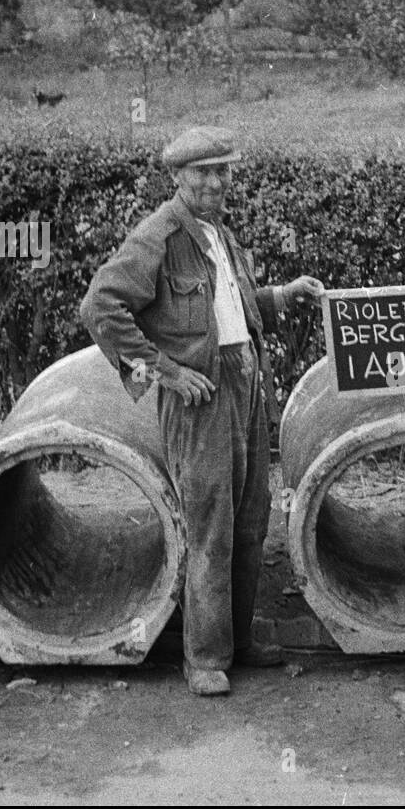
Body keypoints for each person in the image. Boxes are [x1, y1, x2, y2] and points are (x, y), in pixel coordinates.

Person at [80, 126, 324, 696]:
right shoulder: (159, 235)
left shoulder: (217, 233)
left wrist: (283, 294)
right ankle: (205, 657)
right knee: (210, 526)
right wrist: (162, 371)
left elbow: (231, 312)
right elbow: (101, 307)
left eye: (222, 171)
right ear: (176, 178)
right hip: (200, 402)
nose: (214, 182)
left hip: (243, 386)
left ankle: (237, 641)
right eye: (202, 173)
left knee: (250, 520)